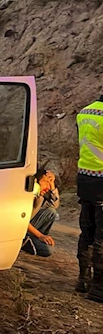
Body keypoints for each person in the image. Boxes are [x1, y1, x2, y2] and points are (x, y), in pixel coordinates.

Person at [75, 96, 103, 302]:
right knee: (101, 237)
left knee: (87, 232)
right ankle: (99, 288)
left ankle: (83, 279)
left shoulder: (84, 112)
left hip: (84, 178)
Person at [21, 169, 59, 257]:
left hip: (27, 226)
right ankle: (24, 241)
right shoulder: (28, 194)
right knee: (48, 250)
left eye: (49, 182)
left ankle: (32, 239)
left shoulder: (40, 195)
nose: (48, 186)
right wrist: (40, 235)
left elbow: (54, 205)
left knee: (51, 212)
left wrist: (52, 185)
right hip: (18, 228)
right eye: (45, 182)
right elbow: (21, 220)